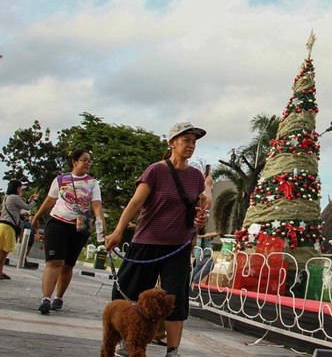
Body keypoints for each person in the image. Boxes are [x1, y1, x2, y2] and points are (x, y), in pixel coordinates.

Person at [104, 122, 209, 357]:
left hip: (178, 247)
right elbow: (135, 203)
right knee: (128, 291)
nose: (191, 145)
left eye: (193, 142)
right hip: (147, 241)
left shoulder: (195, 176)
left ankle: (173, 350)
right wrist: (118, 231)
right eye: (186, 140)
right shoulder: (155, 171)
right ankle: (124, 340)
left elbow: (198, 204)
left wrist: (200, 218)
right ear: (172, 143)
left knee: (175, 298)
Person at [31, 149, 106, 312]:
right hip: (58, 222)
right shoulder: (61, 179)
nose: (88, 163)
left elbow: (97, 206)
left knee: (67, 265)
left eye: (89, 161)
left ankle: (59, 297)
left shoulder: (93, 183)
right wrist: (36, 218)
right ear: (74, 162)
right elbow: (49, 200)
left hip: (81, 225)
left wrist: (101, 227)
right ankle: (46, 299)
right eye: (84, 160)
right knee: (54, 261)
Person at [0, 180, 39, 279]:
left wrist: (28, 200)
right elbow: (27, 207)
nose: (21, 191)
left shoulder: (7, 197)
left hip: (3, 226)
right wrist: (35, 200)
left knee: (3, 252)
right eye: (20, 188)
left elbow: (20, 210)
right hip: (8, 227)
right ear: (16, 188)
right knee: (3, 252)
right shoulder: (14, 197)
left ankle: (0, 272)